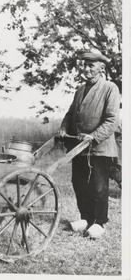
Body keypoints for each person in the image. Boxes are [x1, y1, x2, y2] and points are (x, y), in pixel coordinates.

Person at [58, 52, 120, 239]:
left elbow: (111, 121)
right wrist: (63, 128)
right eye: (84, 65)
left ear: (101, 67)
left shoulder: (110, 88)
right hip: (79, 147)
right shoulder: (80, 89)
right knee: (79, 184)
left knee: (98, 187)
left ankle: (99, 223)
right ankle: (86, 219)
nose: (87, 69)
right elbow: (70, 115)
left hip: (99, 148)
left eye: (91, 65)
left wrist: (93, 136)